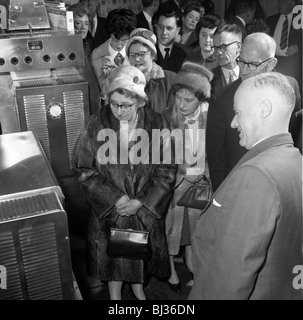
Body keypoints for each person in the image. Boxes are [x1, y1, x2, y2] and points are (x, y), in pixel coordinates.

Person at [189, 72, 303, 300]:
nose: (232, 123)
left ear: (264, 109)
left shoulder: (256, 175)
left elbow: (230, 279)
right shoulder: (295, 161)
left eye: (237, 112)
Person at [74, 65, 177, 300]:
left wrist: (141, 201)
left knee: (140, 254)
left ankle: (138, 289)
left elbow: (167, 168)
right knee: (114, 260)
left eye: (126, 105)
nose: (119, 111)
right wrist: (115, 198)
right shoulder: (95, 125)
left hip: (143, 210)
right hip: (112, 210)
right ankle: (115, 297)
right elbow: (83, 169)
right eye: (114, 103)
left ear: (140, 102)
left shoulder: (158, 124)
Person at [206, 32, 302, 192]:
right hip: (240, 187)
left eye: (252, 64)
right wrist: (221, 197)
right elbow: (216, 158)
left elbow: (296, 138)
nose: (244, 70)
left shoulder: (290, 87)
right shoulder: (223, 99)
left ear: (271, 64)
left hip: (282, 184)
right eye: (241, 62)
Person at [162, 61, 213, 293]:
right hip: (171, 187)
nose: (180, 104)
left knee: (195, 233)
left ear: (201, 99)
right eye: (177, 97)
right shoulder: (164, 118)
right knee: (169, 231)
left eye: (188, 99)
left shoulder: (211, 119)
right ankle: (171, 270)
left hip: (200, 186)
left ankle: (196, 272)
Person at [125, 28, 176, 113]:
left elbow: (174, 117)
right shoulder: (124, 82)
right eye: (132, 54)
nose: (137, 59)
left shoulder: (170, 80)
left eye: (142, 54)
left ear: (152, 55)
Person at [90, 9, 137, 91]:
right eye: (115, 39)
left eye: (124, 40)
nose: (119, 45)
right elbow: (95, 93)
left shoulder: (137, 52)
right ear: (110, 33)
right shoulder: (96, 56)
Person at [266, 0, 302, 92]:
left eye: (284, 1)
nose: (280, 4)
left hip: (292, 63)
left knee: (290, 91)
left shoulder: (299, 20)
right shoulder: (270, 20)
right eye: (279, 1)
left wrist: (298, 47)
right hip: (274, 62)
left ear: (292, 3)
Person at [211, 23, 242, 94]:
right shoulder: (208, 79)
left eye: (224, 47)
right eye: (216, 48)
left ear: (238, 47)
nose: (219, 52)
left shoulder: (250, 76)